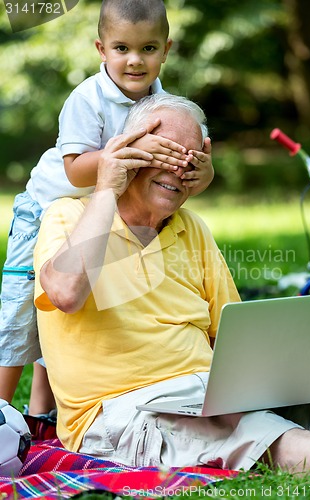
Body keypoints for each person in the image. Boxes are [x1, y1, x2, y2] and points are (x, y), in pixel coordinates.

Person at [34, 93, 310, 474]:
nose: (177, 169)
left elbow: (231, 334)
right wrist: (107, 188)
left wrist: (276, 384)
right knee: (265, 434)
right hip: (125, 410)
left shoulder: (191, 227)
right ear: (128, 151)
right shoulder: (68, 216)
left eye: (190, 159)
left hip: (209, 394)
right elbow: (65, 293)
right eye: (165, 153)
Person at [0, 0, 214, 413]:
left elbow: (181, 172)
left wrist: (202, 175)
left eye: (148, 49)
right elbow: (77, 170)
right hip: (47, 207)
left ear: (166, 49)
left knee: (68, 316)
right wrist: (130, 148)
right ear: (101, 49)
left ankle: (43, 414)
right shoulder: (87, 98)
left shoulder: (165, 106)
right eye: (121, 49)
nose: (135, 60)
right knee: (22, 308)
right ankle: (0, 409)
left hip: (98, 213)